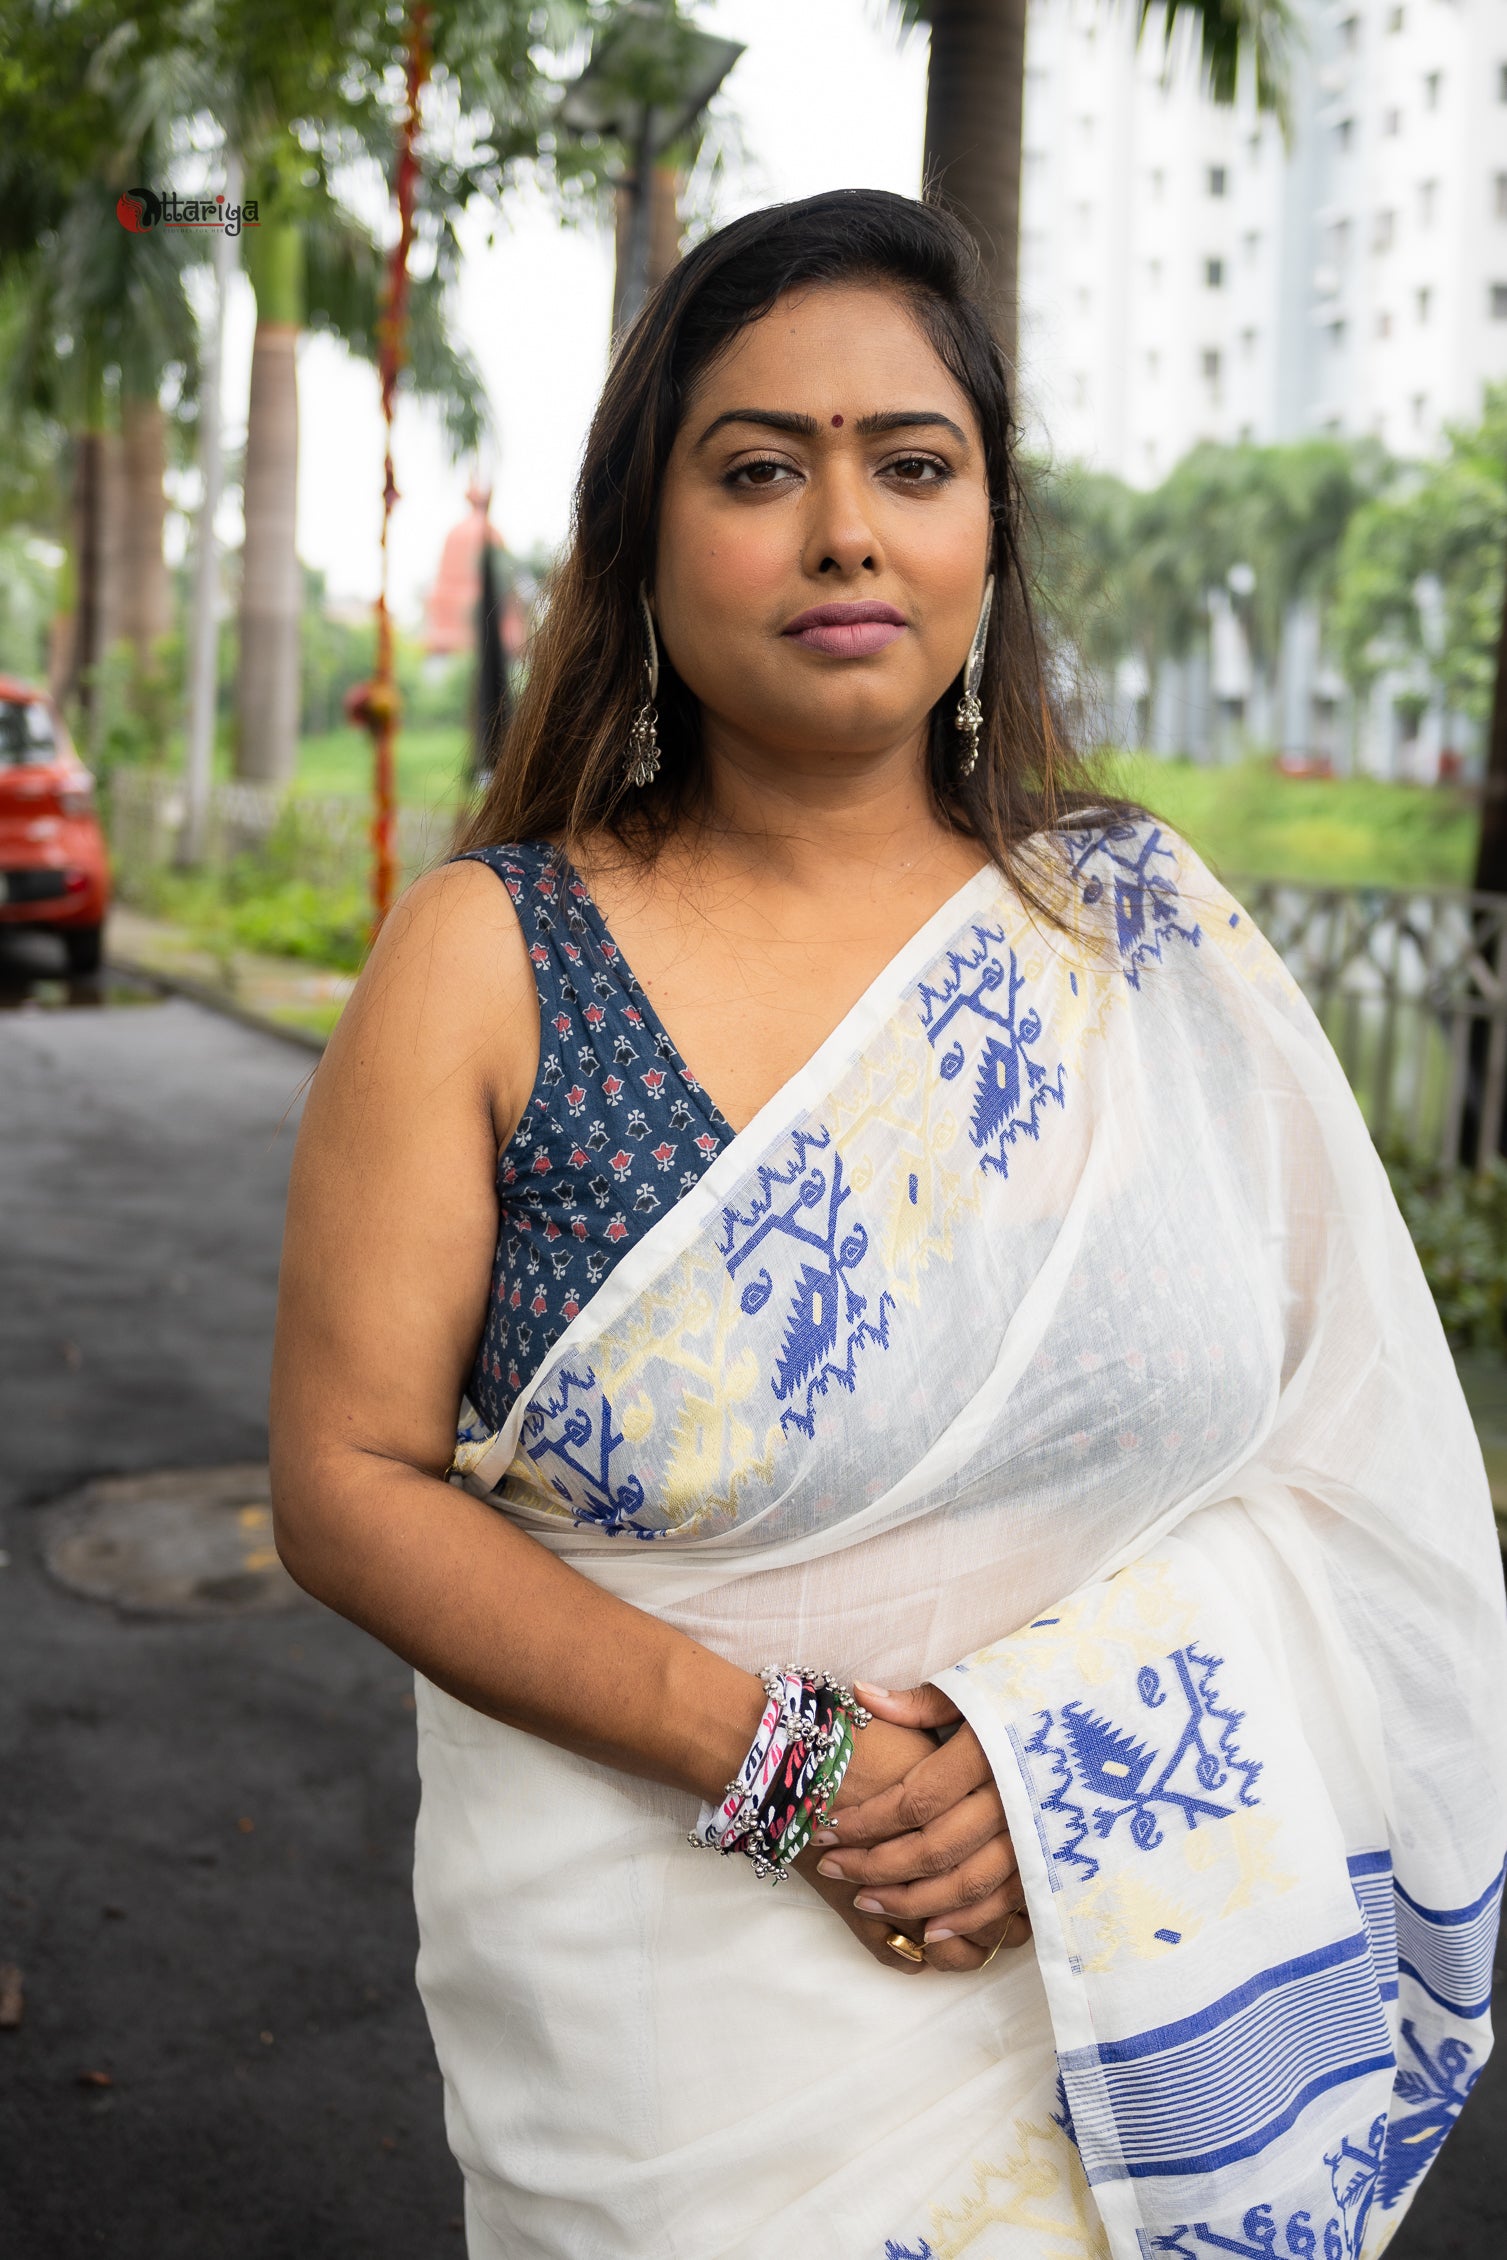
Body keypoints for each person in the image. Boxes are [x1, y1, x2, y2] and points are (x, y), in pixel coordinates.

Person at [270, 191, 1507, 2260]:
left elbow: (1339, 1460)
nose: (845, 530)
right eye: (759, 470)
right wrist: (786, 1759)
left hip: (1112, 1956)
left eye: (911, 467)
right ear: (648, 540)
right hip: (669, 2069)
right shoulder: (489, 959)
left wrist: (1045, 1763)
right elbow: (347, 1477)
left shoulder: (1140, 944)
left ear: (986, 537)